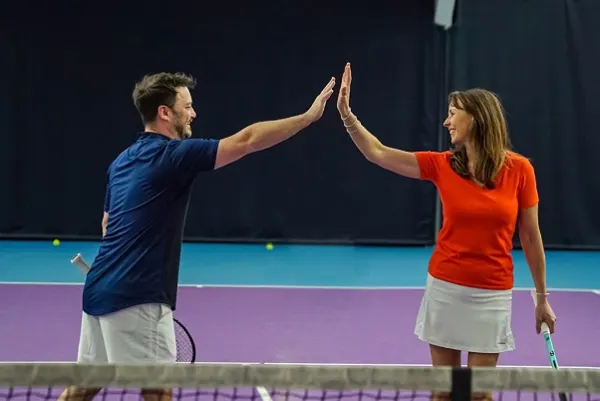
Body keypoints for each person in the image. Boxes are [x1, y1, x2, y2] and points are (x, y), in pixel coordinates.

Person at [57, 72, 336, 401]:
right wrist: (306, 118)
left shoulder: (120, 163)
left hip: (98, 289)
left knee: (83, 387)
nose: (193, 114)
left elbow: (108, 224)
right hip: (138, 296)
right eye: (186, 106)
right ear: (165, 112)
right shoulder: (173, 156)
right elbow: (246, 141)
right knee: (158, 391)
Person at [335, 63, 556, 400]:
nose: (446, 121)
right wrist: (348, 116)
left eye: (453, 113)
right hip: (446, 288)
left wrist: (542, 299)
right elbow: (377, 153)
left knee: (480, 394)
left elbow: (530, 236)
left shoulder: (520, 170)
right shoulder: (441, 165)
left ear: (477, 119)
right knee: (443, 393)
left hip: (492, 293)